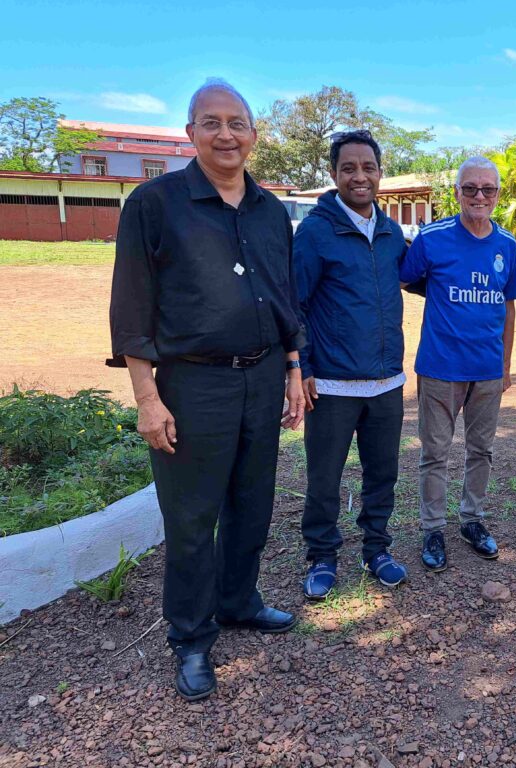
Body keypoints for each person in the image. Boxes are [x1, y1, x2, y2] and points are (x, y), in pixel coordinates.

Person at [109, 79, 305, 702]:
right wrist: (146, 396)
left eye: (237, 123)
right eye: (211, 123)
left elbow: (284, 296)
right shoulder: (154, 203)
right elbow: (132, 306)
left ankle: (239, 601)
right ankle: (191, 639)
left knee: (253, 502)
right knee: (192, 517)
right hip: (192, 384)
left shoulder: (272, 210)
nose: (226, 135)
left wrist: (294, 369)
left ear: (253, 134)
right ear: (190, 132)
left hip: (264, 375)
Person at [292, 130, 409, 596]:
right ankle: (322, 556)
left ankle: (376, 548)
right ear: (334, 174)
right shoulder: (316, 232)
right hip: (333, 385)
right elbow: (294, 304)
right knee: (325, 477)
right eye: (348, 168)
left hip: (387, 381)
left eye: (368, 167)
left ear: (380, 173)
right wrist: (302, 368)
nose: (359, 176)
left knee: (383, 474)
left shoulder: (390, 231)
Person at [399, 156, 516, 571]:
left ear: (498, 195)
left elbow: (509, 308)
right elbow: (402, 281)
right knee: (434, 453)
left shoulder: (506, 245)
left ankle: (472, 520)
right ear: (457, 193)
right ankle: (433, 528)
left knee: (481, 451)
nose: (479, 196)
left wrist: (505, 366)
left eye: (488, 189)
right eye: (470, 188)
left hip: (486, 370)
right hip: (439, 367)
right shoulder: (432, 239)